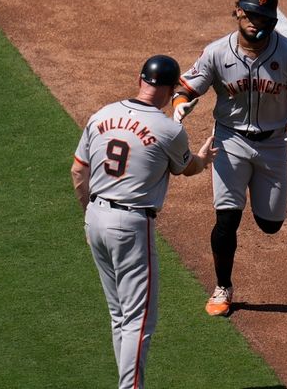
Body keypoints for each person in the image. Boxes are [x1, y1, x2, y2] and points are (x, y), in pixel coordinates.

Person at [172, 0, 287, 317]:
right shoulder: (217, 52)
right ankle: (223, 287)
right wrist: (181, 104)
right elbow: (185, 86)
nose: (256, 21)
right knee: (227, 219)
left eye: (264, 17)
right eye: (251, 13)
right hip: (229, 142)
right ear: (239, 11)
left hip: (274, 145)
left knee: (270, 224)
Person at [70, 54, 217, 389]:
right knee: (139, 318)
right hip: (131, 225)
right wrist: (203, 159)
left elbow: (79, 170)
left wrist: (89, 216)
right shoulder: (169, 129)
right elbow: (185, 168)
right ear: (168, 90)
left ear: (141, 80)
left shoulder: (102, 114)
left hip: (95, 217)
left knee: (119, 314)